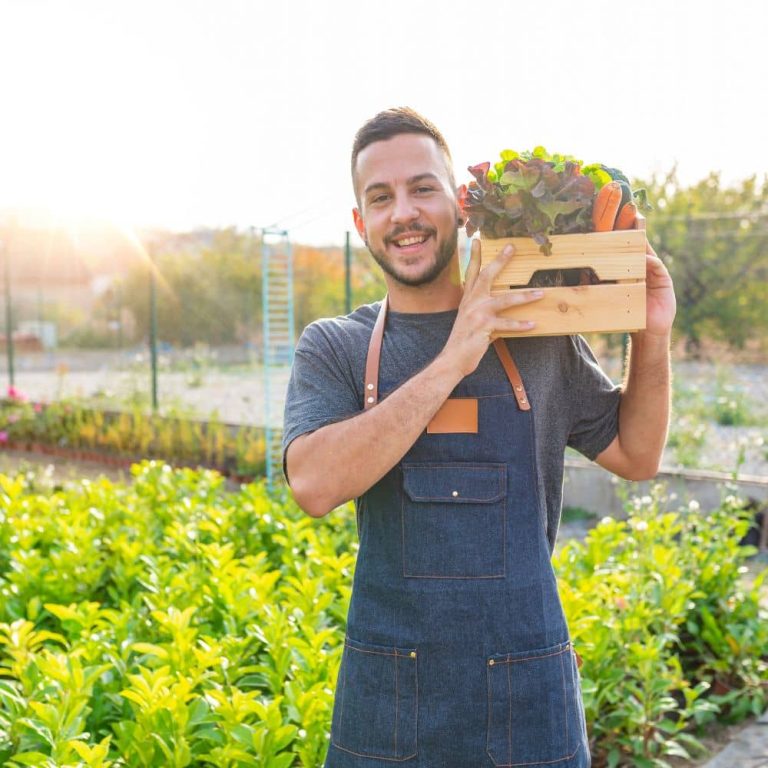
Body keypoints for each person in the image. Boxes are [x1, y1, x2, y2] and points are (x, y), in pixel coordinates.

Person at [282, 107, 676, 768]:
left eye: (422, 188)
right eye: (380, 198)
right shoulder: (338, 348)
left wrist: (652, 335)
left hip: (530, 700)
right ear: (360, 224)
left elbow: (638, 455)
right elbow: (314, 484)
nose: (403, 212)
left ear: (462, 206)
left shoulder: (537, 332)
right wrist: (452, 360)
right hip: (388, 704)